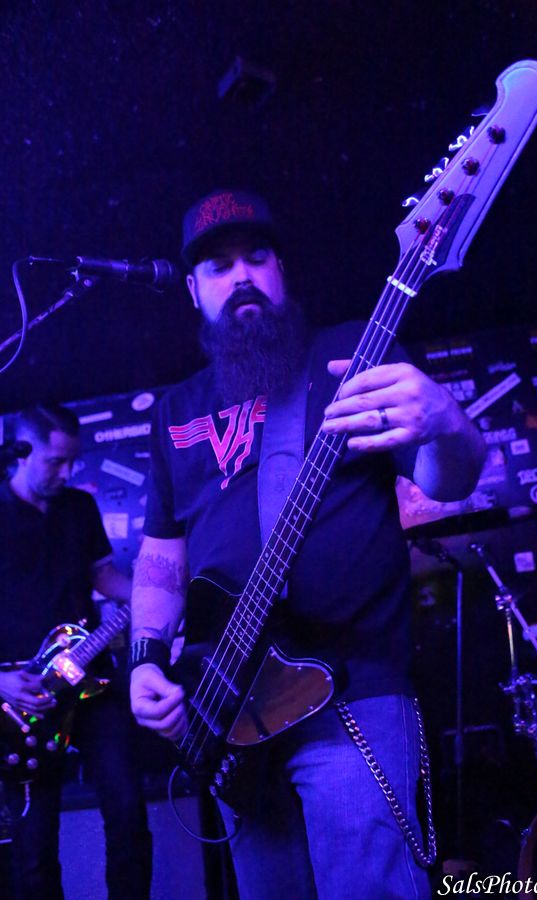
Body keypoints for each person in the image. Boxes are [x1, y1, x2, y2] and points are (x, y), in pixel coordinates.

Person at [129, 189, 487, 899]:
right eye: (218, 266)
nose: (241, 276)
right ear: (193, 291)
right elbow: (161, 555)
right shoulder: (175, 410)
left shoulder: (349, 354)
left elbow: (448, 481)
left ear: (281, 270)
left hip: (352, 695)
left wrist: (447, 421)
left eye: (256, 257)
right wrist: (145, 659)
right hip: (234, 708)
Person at [0, 404, 153, 900]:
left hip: (93, 677)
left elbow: (103, 576)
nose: (67, 472)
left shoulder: (79, 507)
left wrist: (154, 592)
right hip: (24, 697)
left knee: (128, 810)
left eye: (72, 461)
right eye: (56, 462)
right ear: (21, 453)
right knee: (34, 846)